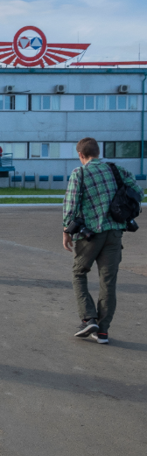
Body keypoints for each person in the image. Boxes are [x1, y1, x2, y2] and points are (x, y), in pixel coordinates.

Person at [62, 137, 143, 345]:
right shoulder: (117, 170)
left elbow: (71, 205)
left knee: (79, 273)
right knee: (108, 282)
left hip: (90, 235)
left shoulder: (79, 173)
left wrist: (66, 230)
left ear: (81, 155)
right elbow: (138, 192)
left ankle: (89, 318)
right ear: (98, 152)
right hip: (115, 233)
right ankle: (103, 331)